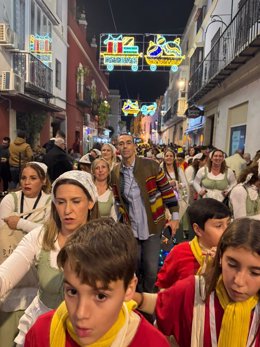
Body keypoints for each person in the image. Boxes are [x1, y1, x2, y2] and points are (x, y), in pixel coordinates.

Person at [24, 218, 170, 347]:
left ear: (129, 289)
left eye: (100, 296)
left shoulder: (152, 343)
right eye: (72, 292)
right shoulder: (42, 334)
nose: (81, 313)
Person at [0, 170, 99, 346]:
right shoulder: (40, 237)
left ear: (90, 202)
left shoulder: (103, 241)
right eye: (61, 202)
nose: (68, 210)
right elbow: (4, 277)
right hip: (43, 330)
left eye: (76, 201)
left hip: (87, 333)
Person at [135, 218, 260, 346]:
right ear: (220, 257)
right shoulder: (194, 291)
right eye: (232, 264)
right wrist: (132, 297)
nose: (239, 281)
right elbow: (163, 304)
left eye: (255, 273)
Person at [111, 133, 179, 293]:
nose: (125, 146)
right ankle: (136, 300)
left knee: (150, 270)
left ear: (134, 146)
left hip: (153, 226)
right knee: (134, 268)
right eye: (121, 144)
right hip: (131, 228)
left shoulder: (151, 166)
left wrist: (175, 218)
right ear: (118, 148)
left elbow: (167, 192)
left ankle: (149, 301)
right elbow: (117, 201)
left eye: (128, 143)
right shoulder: (115, 173)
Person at [0, 161, 51, 347]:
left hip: (37, 274)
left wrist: (20, 224)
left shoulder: (50, 202)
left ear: (43, 180)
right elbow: (2, 227)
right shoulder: (10, 199)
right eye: (23, 178)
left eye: (33, 178)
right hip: (11, 263)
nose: (27, 182)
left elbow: (49, 233)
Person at [156, 198, 231, 290]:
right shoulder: (179, 252)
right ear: (198, 229)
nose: (227, 230)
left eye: (228, 224)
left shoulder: (233, 253)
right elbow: (164, 285)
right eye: (219, 226)